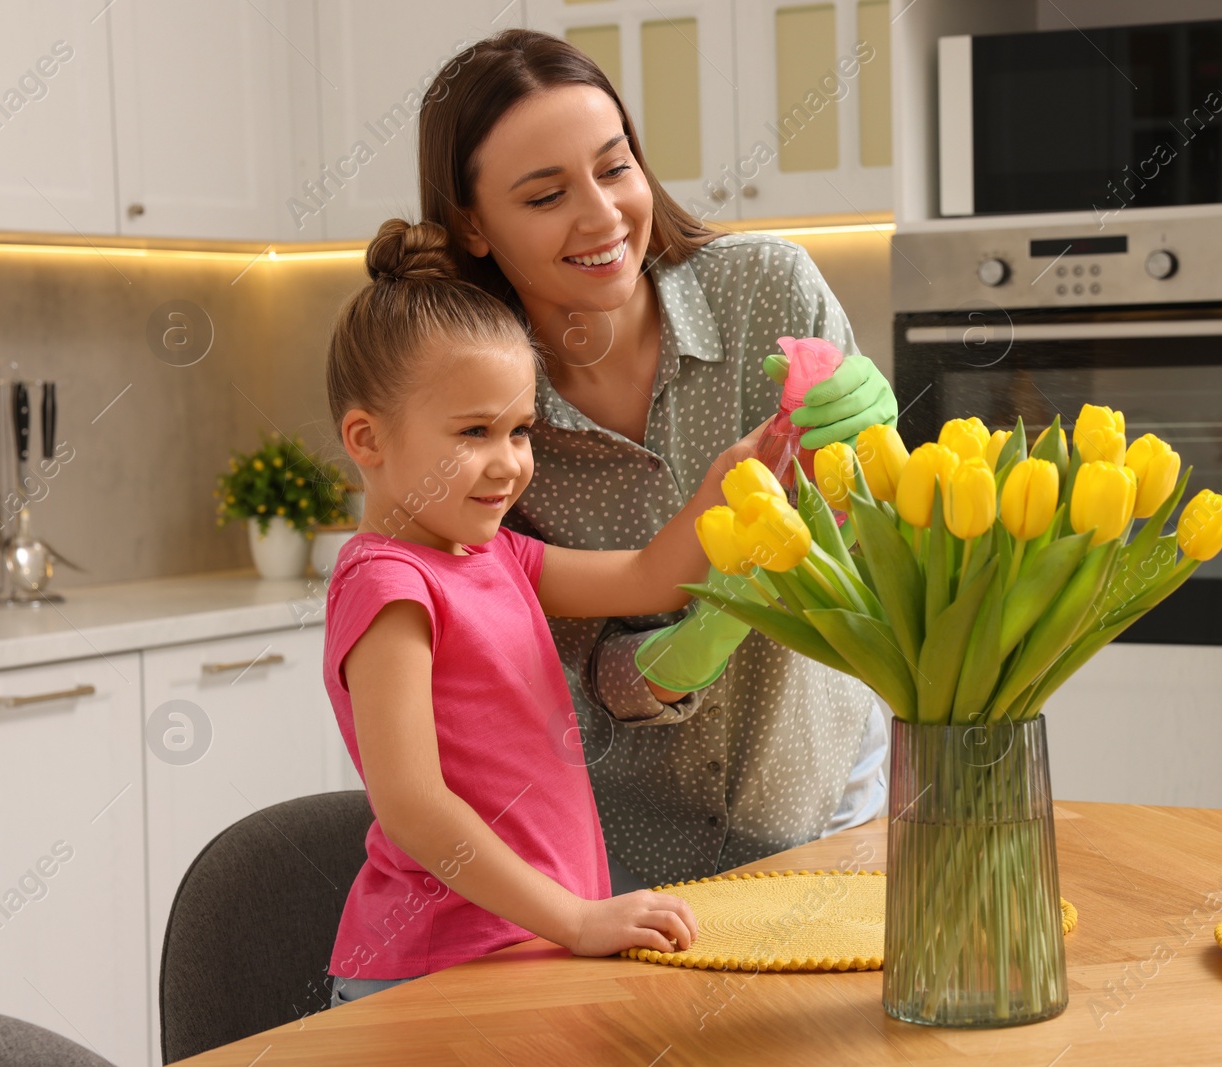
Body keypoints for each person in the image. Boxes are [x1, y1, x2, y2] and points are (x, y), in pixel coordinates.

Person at [416, 29, 897, 891]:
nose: (601, 216)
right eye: (544, 195)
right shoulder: (478, 416)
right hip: (619, 852)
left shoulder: (768, 290)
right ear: (471, 225)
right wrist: (689, 641)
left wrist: (873, 460)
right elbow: (558, 663)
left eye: (614, 167)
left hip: (824, 803)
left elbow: (875, 550)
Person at [321, 218, 766, 1005]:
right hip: (433, 972)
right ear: (367, 438)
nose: (510, 462)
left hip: (524, 949)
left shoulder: (491, 554)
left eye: (521, 429)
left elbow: (646, 577)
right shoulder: (389, 586)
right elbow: (415, 808)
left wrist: (731, 477)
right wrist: (577, 919)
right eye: (474, 432)